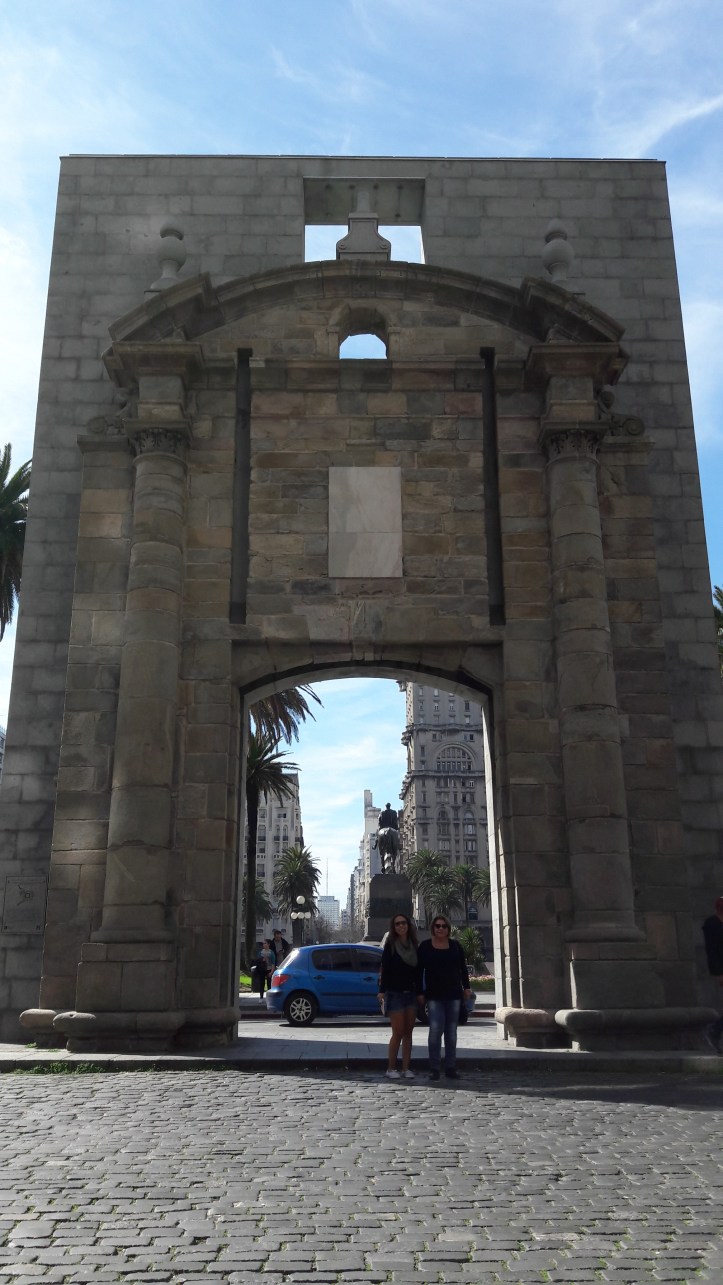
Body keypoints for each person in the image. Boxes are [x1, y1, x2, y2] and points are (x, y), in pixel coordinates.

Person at [418, 914, 472, 1081]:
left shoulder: (455, 946)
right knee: (435, 1030)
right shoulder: (425, 946)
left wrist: (467, 987)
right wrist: (420, 992)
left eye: (443, 926)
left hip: (454, 994)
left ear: (448, 929)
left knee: (451, 1032)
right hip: (434, 995)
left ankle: (450, 1067)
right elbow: (418, 971)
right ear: (433, 928)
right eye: (437, 926)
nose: (440, 929)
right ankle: (434, 1068)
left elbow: (462, 968)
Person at [378, 913, 421, 1081]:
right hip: (395, 993)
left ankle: (406, 1068)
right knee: (397, 1032)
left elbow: (418, 972)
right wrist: (382, 991)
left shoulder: (414, 945)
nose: (401, 926)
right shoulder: (390, 945)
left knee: (408, 1033)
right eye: (397, 924)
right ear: (393, 927)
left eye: (403, 923)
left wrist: (420, 992)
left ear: (408, 925)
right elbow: (385, 970)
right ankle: (391, 1068)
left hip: (410, 993)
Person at [702, 896, 723, 1054]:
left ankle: (715, 1030)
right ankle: (715, 1030)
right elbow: (712, 951)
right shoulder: (712, 924)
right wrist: (718, 973)